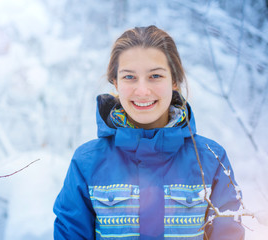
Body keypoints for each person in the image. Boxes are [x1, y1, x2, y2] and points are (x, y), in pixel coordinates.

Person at [53, 25, 244, 240]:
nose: (142, 90)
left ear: (174, 80)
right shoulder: (87, 162)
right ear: (115, 81)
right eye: (129, 77)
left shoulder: (211, 159)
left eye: (155, 76)